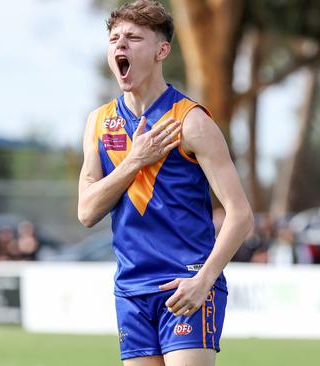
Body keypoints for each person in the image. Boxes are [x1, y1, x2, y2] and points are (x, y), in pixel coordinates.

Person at [77, 1, 253, 365]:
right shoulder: (98, 122)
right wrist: (135, 161)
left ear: (161, 51)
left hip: (185, 284)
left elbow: (241, 215)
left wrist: (204, 280)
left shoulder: (191, 121)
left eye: (133, 38)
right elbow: (87, 211)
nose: (120, 46)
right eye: (114, 39)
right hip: (131, 291)